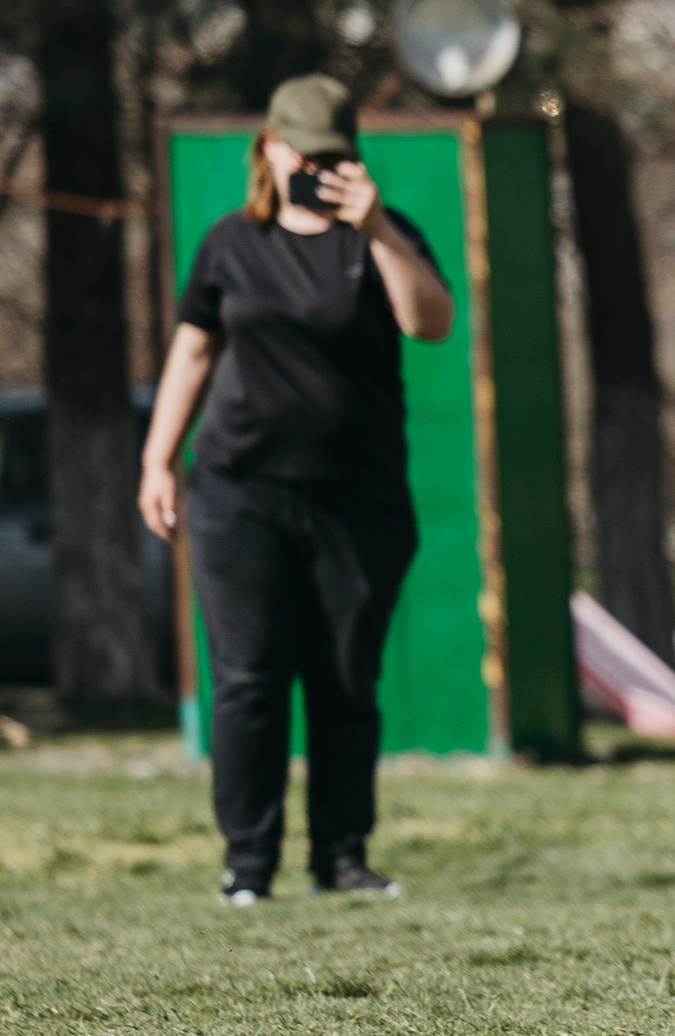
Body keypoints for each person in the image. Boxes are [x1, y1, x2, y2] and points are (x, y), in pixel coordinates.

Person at [137, 75, 455, 908]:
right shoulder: (229, 245)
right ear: (268, 150)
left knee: (345, 679)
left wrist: (378, 225)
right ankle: (248, 863)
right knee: (247, 678)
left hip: (358, 498)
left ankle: (342, 856)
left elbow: (431, 321)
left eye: (332, 155)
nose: (314, 166)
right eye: (300, 152)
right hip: (240, 494)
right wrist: (157, 458)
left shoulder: (383, 237)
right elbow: (194, 353)